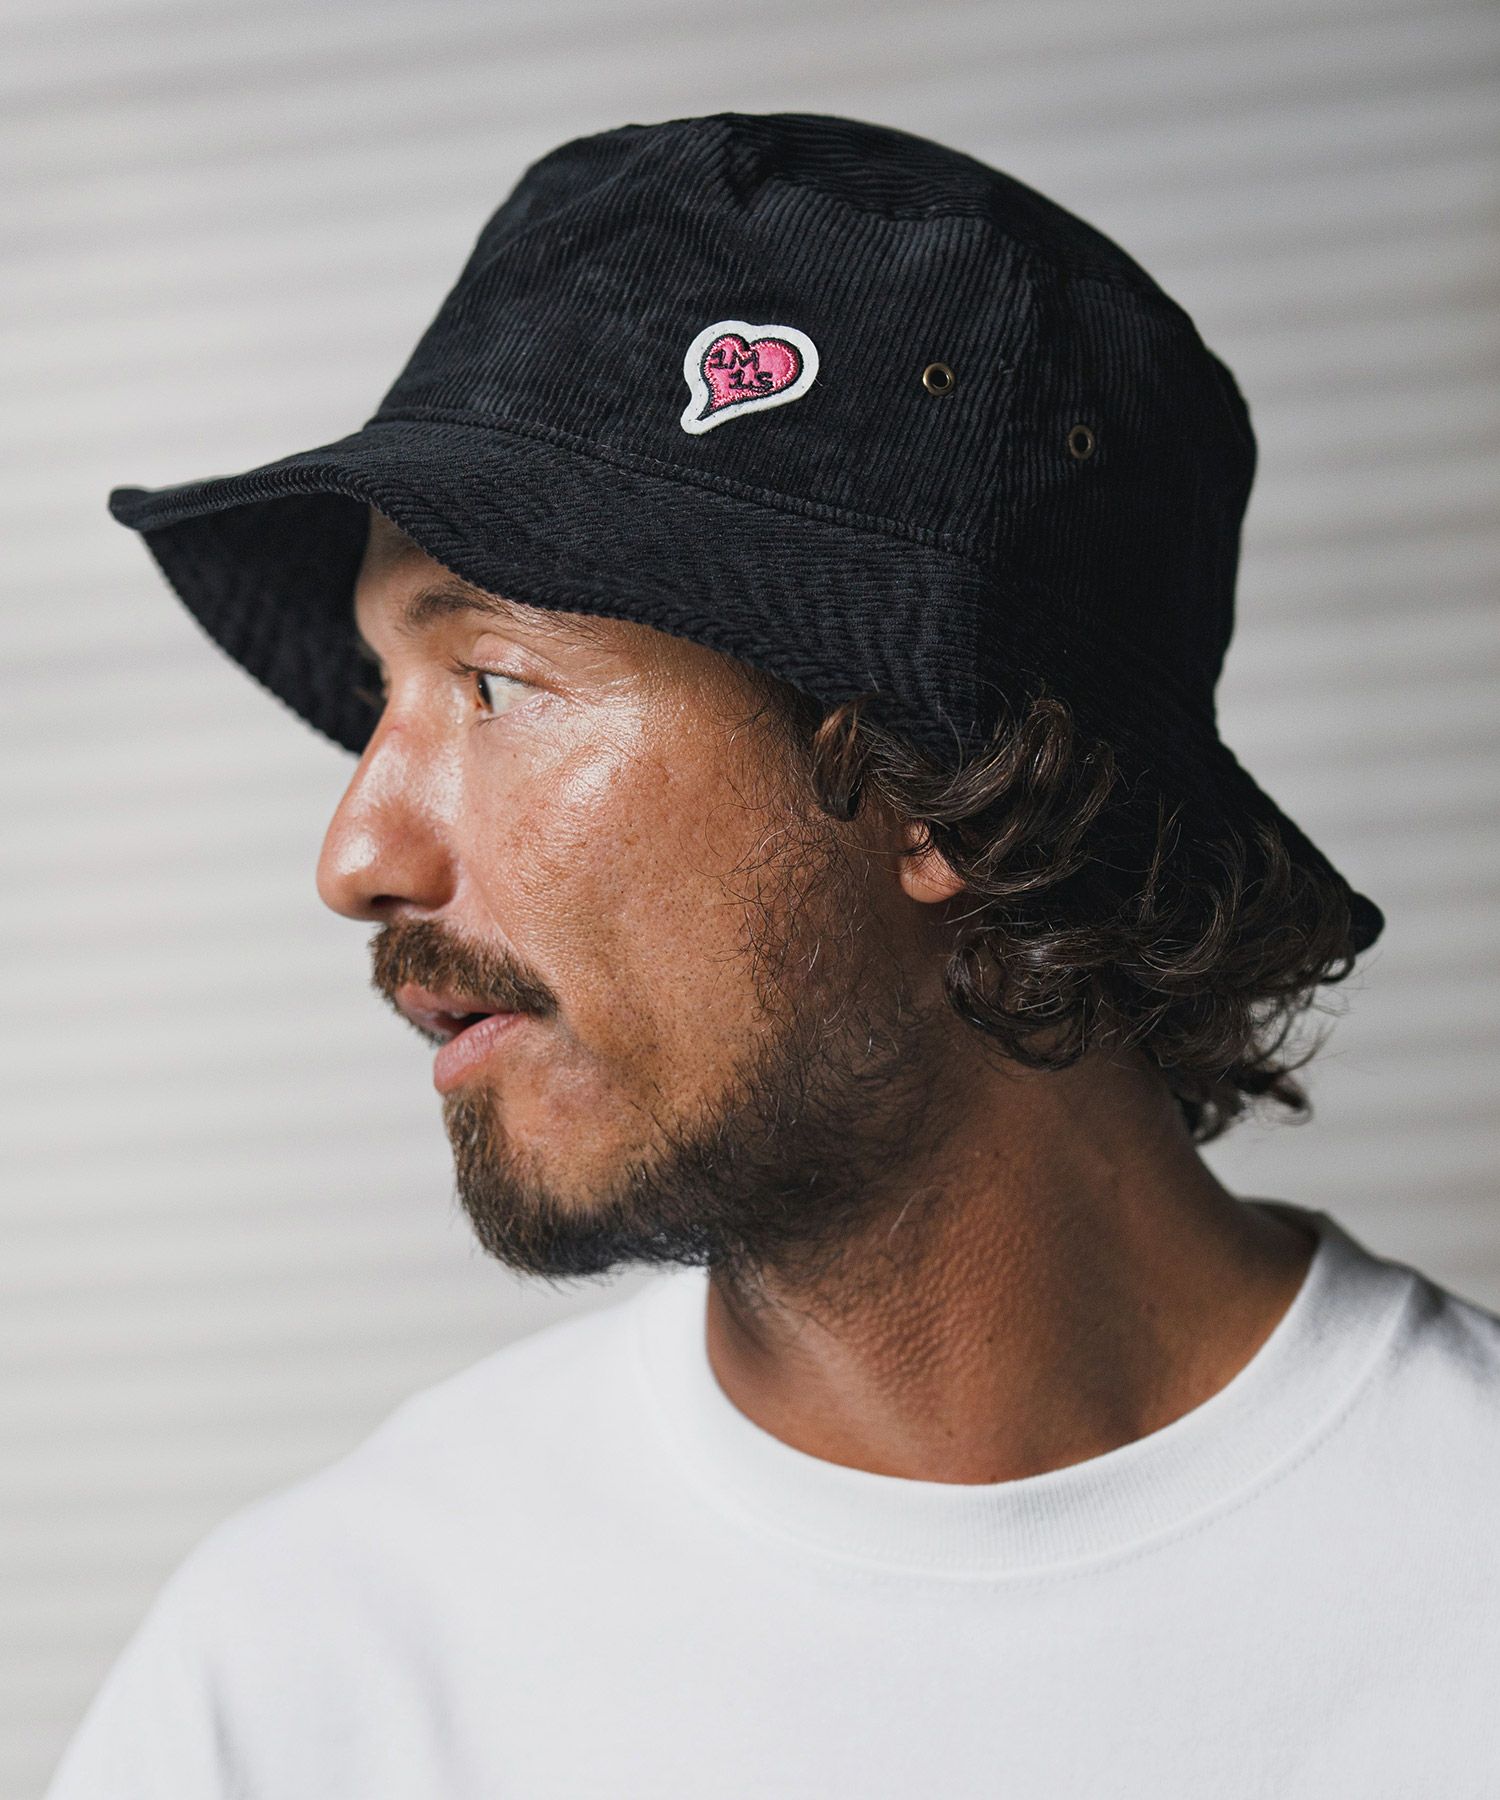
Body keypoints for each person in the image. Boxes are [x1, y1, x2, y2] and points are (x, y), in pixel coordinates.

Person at [50, 112, 1499, 1797]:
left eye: (495, 683)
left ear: (940, 781)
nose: (357, 857)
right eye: (385, 696)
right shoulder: (311, 1677)